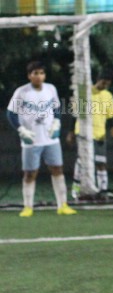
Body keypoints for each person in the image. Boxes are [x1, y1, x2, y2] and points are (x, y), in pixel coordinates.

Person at [6, 60, 76, 217]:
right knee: (30, 173)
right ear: (29, 76)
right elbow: (10, 113)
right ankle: (28, 207)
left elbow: (56, 107)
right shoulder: (22, 92)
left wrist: (57, 121)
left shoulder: (51, 89)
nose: (39, 76)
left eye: (41, 73)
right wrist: (21, 129)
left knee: (57, 169)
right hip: (31, 140)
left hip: (51, 139)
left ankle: (62, 205)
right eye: (35, 73)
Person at [69, 69, 113, 200]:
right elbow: (75, 114)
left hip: (99, 133)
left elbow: (111, 115)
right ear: (98, 80)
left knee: (101, 162)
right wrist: (71, 132)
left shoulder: (108, 96)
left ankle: (103, 190)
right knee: (81, 162)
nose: (105, 86)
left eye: (107, 84)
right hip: (83, 134)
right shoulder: (84, 92)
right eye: (103, 83)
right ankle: (76, 189)